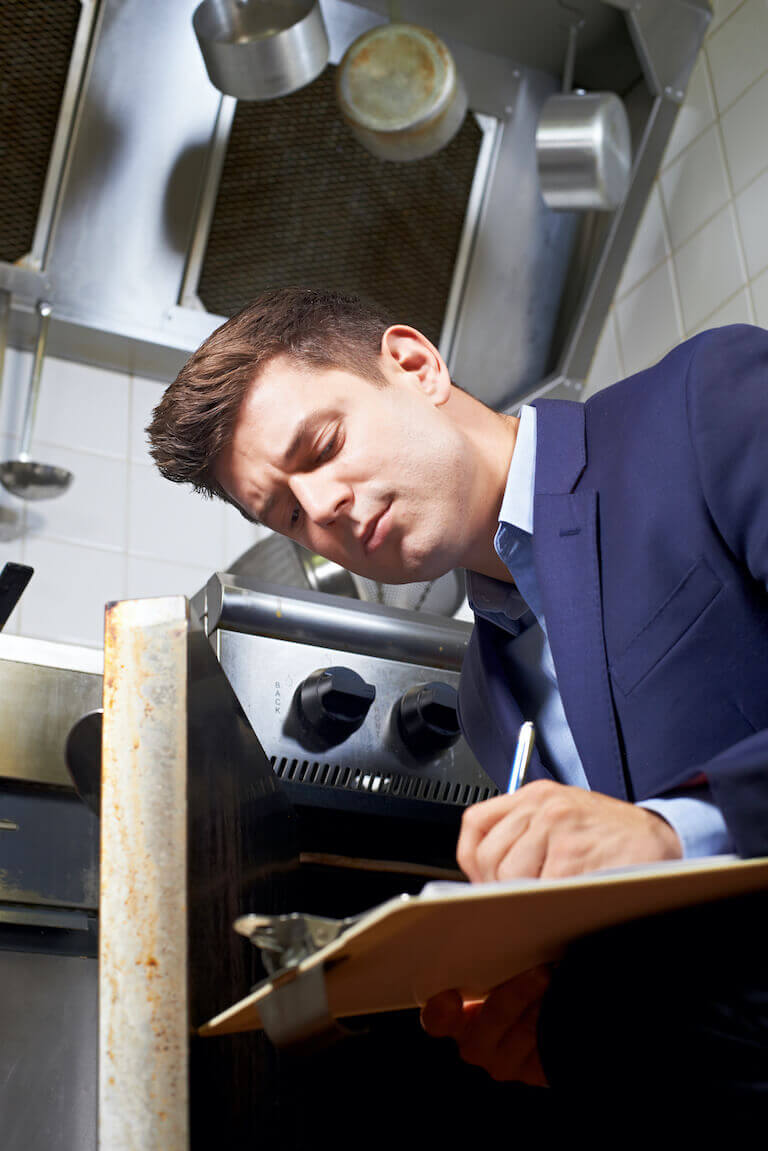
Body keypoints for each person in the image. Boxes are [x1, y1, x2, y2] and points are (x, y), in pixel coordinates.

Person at [148, 287, 768, 1109]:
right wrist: (561, 1018)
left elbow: (664, 845)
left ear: (414, 364)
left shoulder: (705, 401)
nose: (323, 506)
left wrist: (672, 830)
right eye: (288, 514)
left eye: (323, 444)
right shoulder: (485, 695)